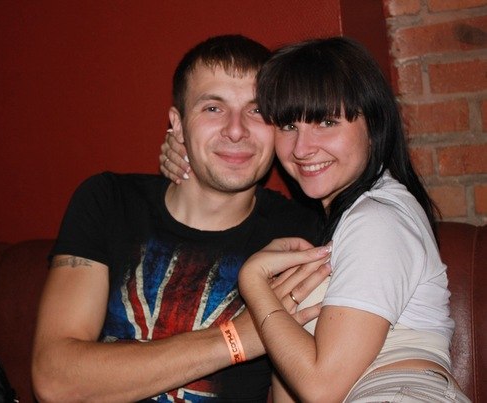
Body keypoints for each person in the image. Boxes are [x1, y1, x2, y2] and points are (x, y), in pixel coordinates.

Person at [161, 37, 470, 402]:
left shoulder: (377, 219)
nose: (302, 148)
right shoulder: (336, 220)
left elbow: (321, 387)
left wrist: (254, 283)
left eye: (326, 121)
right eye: (288, 125)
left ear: (374, 125)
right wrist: (187, 146)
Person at [31, 34, 329, 403]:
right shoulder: (110, 202)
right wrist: (238, 338)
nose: (236, 130)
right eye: (213, 108)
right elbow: (54, 380)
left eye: (257, 111)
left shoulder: (302, 232)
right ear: (178, 123)